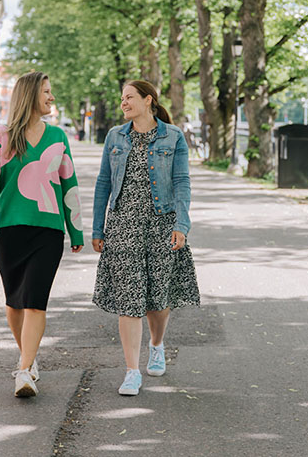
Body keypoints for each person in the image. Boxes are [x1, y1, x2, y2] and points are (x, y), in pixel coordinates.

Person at [0, 71, 84, 397]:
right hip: (9, 230)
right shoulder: (0, 137)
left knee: (35, 301)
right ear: (30, 97)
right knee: (14, 302)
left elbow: (69, 184)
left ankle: (23, 371)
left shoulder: (58, 137)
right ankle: (29, 356)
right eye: (47, 92)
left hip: (48, 232)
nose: (52, 97)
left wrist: (76, 228)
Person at [92, 80, 200, 396]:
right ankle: (131, 372)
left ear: (147, 100)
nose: (123, 102)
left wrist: (181, 224)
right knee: (130, 299)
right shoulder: (115, 137)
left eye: (129, 97)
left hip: (162, 225)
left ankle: (156, 344)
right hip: (123, 226)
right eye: (122, 97)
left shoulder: (173, 136)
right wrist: (98, 229)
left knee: (158, 298)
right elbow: (102, 185)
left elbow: (182, 182)